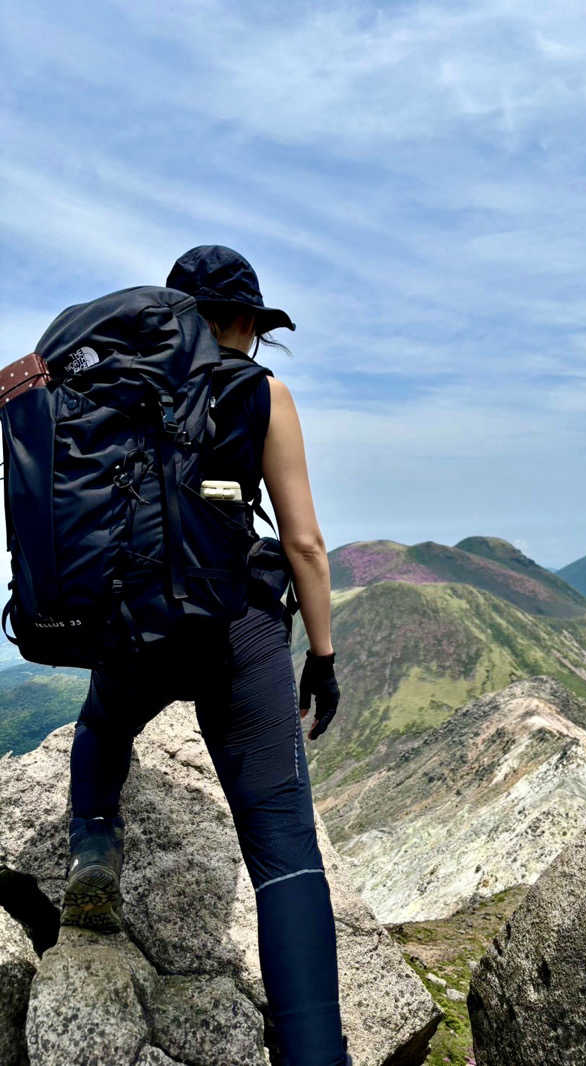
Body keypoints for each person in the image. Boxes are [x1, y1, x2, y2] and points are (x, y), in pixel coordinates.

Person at [62, 246, 351, 1066]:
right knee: (284, 851)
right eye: (253, 324)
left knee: (104, 723)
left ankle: (93, 841)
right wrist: (322, 658)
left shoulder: (115, 390)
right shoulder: (261, 393)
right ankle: (314, 1053)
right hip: (236, 630)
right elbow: (304, 542)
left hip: (138, 624)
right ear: (241, 323)